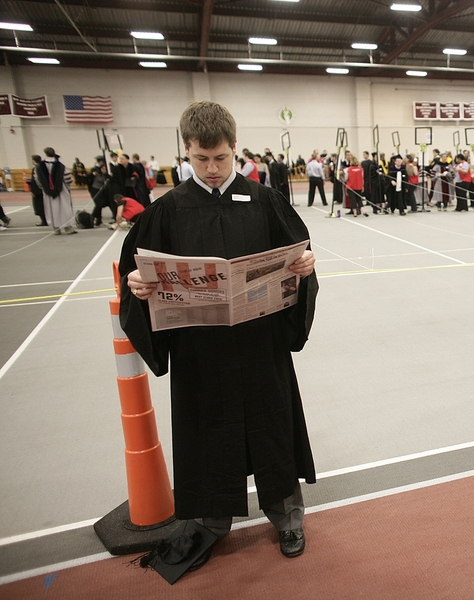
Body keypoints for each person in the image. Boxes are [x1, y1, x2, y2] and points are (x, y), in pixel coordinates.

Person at [117, 101, 318, 568]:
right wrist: (137, 285)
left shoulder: (265, 202)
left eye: (221, 158)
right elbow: (137, 275)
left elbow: (296, 260)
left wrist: (305, 268)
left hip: (260, 345)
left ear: (234, 150)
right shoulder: (166, 211)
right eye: (200, 159)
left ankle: (286, 515)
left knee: (272, 425)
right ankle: (211, 520)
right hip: (199, 352)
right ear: (185, 151)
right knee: (207, 432)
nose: (210, 169)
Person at [32, 147, 77, 235]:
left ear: (45, 154)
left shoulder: (39, 166)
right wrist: (68, 187)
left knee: (51, 209)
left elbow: (37, 178)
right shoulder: (60, 165)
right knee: (64, 208)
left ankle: (56, 229)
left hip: (47, 192)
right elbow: (67, 178)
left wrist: (43, 187)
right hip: (61, 190)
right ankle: (68, 228)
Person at [28, 154, 49, 226]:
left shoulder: (36, 168)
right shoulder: (43, 167)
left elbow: (36, 180)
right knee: (44, 206)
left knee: (39, 206)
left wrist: (33, 190)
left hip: (38, 190)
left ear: (34, 160)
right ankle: (46, 220)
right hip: (44, 190)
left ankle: (44, 221)